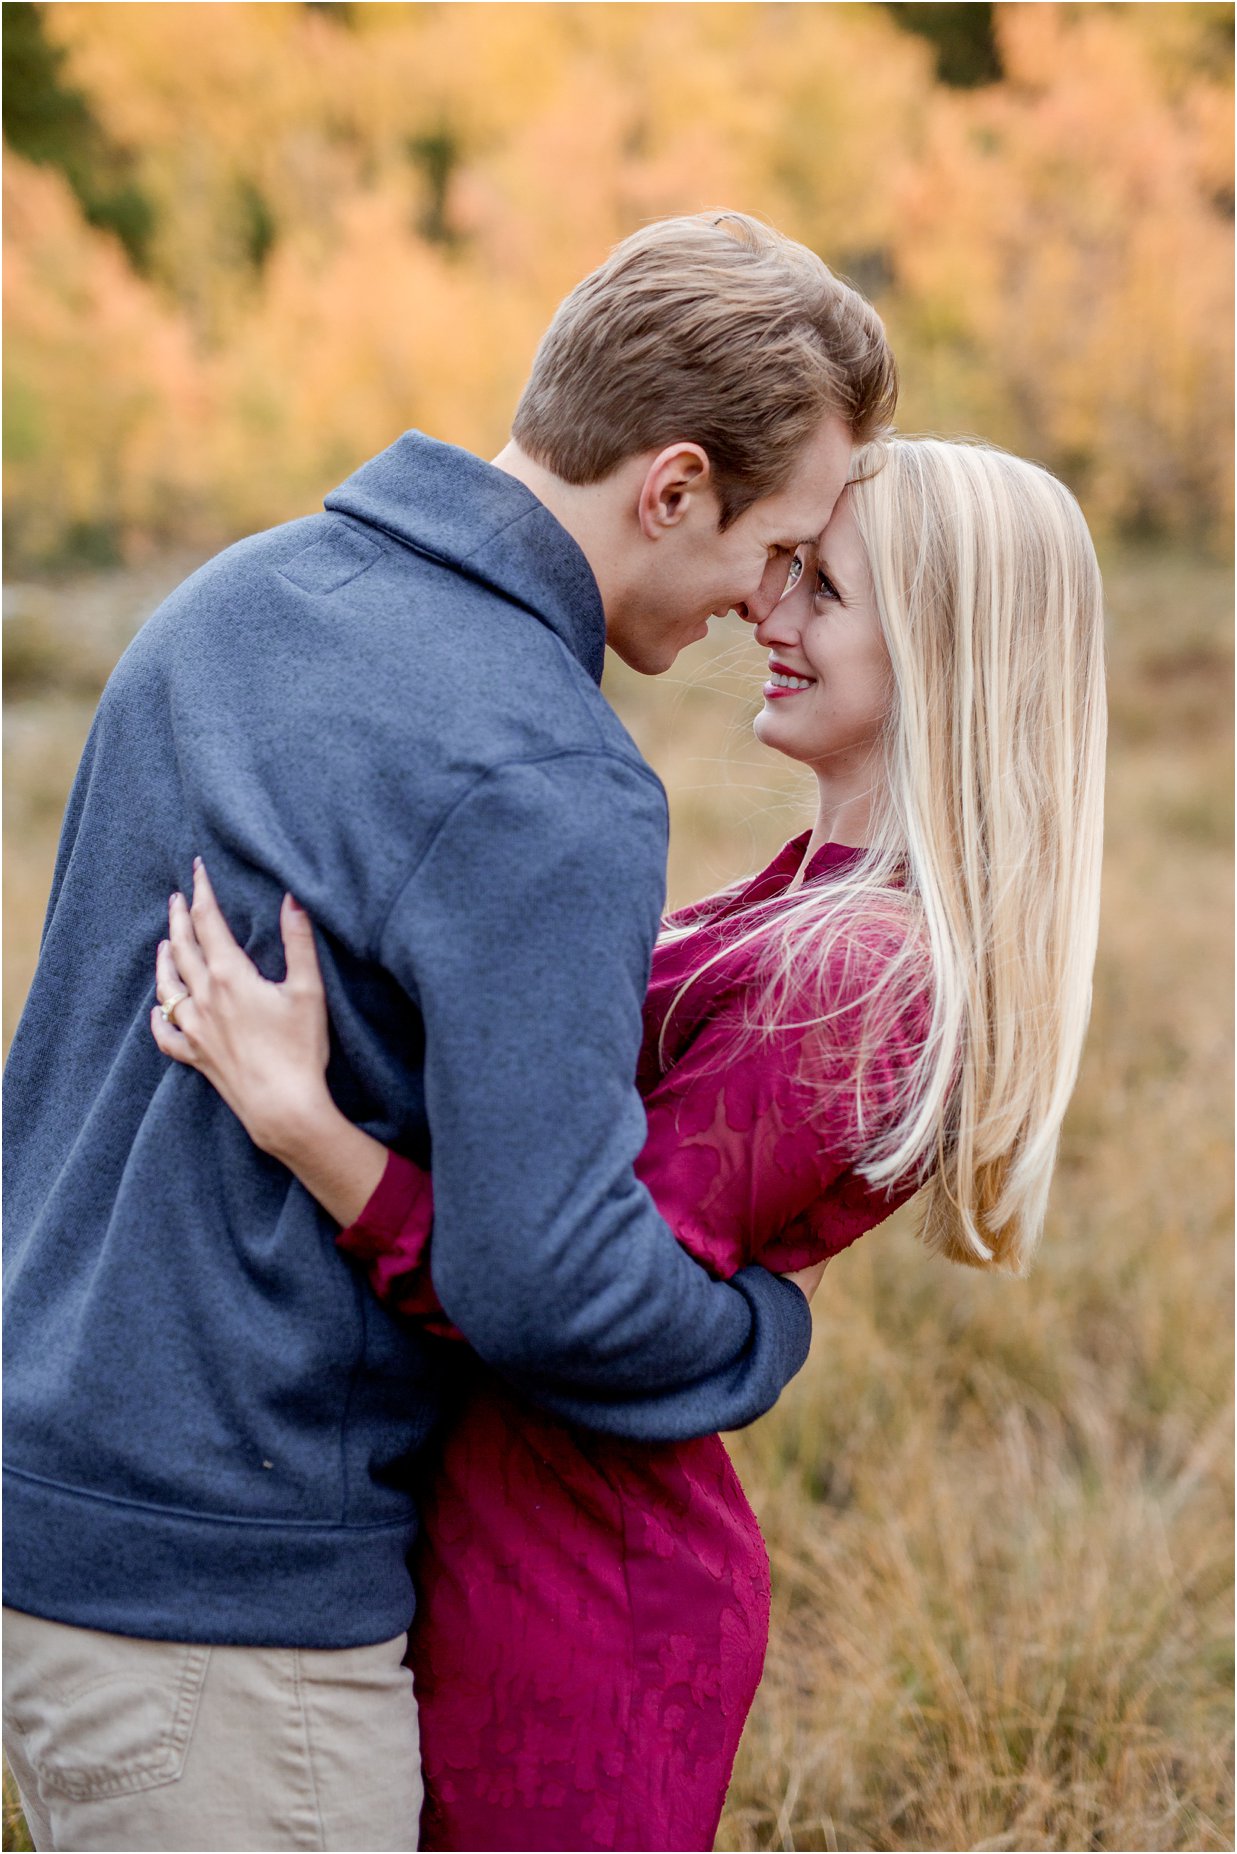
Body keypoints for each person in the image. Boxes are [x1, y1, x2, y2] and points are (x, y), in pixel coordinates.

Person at [2, 211, 896, 1853]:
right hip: (237, 1596)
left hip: (52, 1519)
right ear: (673, 485)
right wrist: (764, 1325)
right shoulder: (545, 771)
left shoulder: (235, 600)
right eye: (779, 546)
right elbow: (542, 1280)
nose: (765, 600)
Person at [146, 436, 1108, 1850]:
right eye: (781, 573)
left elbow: (566, 1288)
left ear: (945, 650)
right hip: (495, 1530)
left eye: (820, 591)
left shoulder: (865, 968)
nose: (764, 619)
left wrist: (309, 1129)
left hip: (580, 1589)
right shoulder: (803, 896)